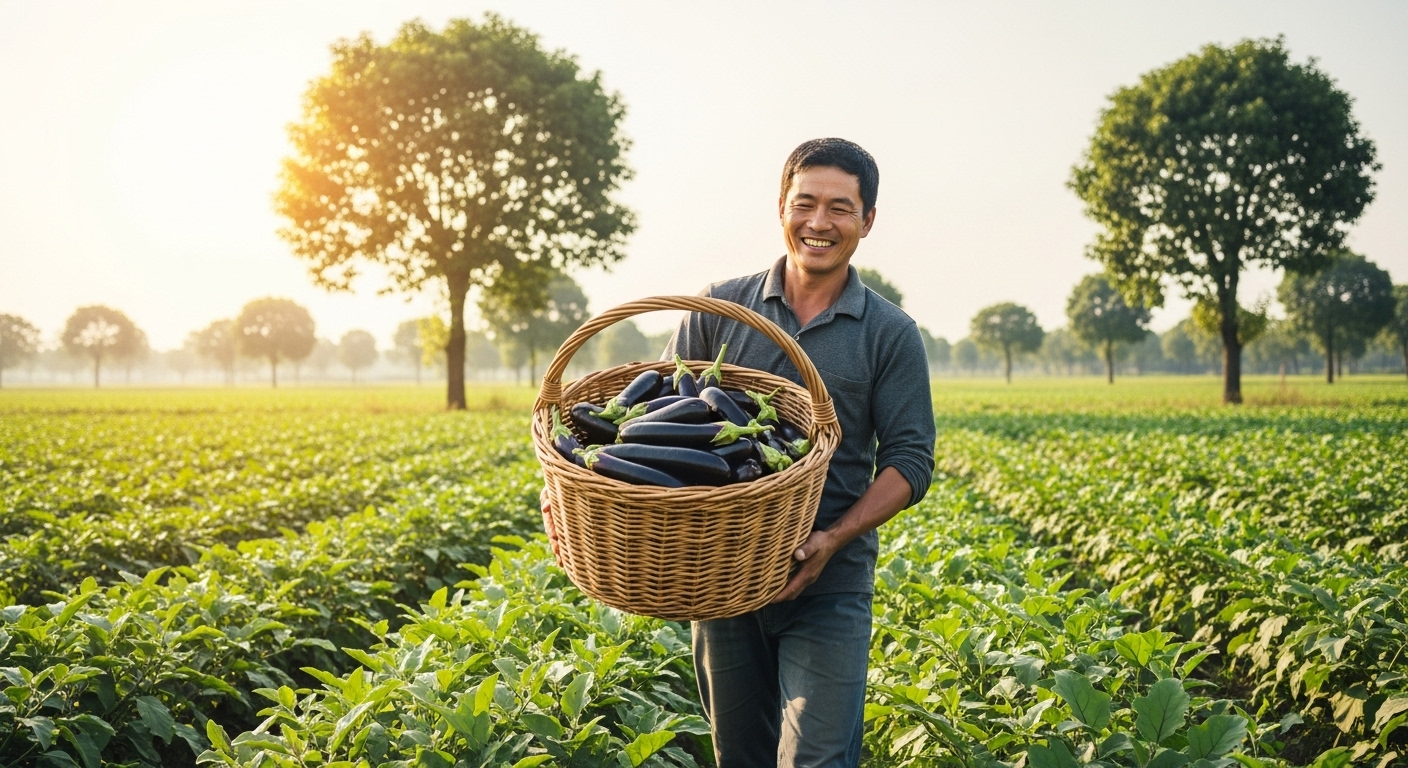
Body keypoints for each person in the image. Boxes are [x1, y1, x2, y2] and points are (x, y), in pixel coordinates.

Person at [546, 138, 935, 767]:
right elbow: (645, 425)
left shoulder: (890, 333)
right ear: (781, 207)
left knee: (819, 758)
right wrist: (563, 499)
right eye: (805, 203)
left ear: (867, 220)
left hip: (828, 584)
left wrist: (833, 538)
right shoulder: (719, 310)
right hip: (719, 573)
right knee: (740, 757)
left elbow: (911, 460)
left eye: (840, 208)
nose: (819, 223)